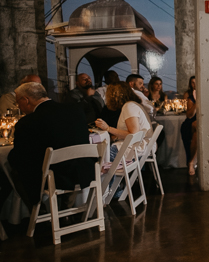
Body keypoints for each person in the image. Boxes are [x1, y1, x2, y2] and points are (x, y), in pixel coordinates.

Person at [4, 83, 94, 212]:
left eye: (17, 101)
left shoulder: (28, 122)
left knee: (16, 167)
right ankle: (66, 211)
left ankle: (38, 212)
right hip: (84, 171)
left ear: (26, 100)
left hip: (57, 177)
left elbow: (20, 156)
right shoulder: (75, 109)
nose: (18, 106)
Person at [93, 82, 150, 159]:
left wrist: (108, 128)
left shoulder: (129, 107)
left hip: (135, 149)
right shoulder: (132, 105)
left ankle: (104, 171)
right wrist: (115, 136)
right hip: (141, 147)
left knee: (98, 157)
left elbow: (133, 134)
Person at [181, 76, 198, 175]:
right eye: (192, 82)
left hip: (201, 124)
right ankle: (191, 162)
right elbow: (190, 115)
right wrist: (197, 102)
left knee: (197, 134)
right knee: (197, 126)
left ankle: (191, 161)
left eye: (196, 82)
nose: (194, 84)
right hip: (190, 123)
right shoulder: (190, 98)